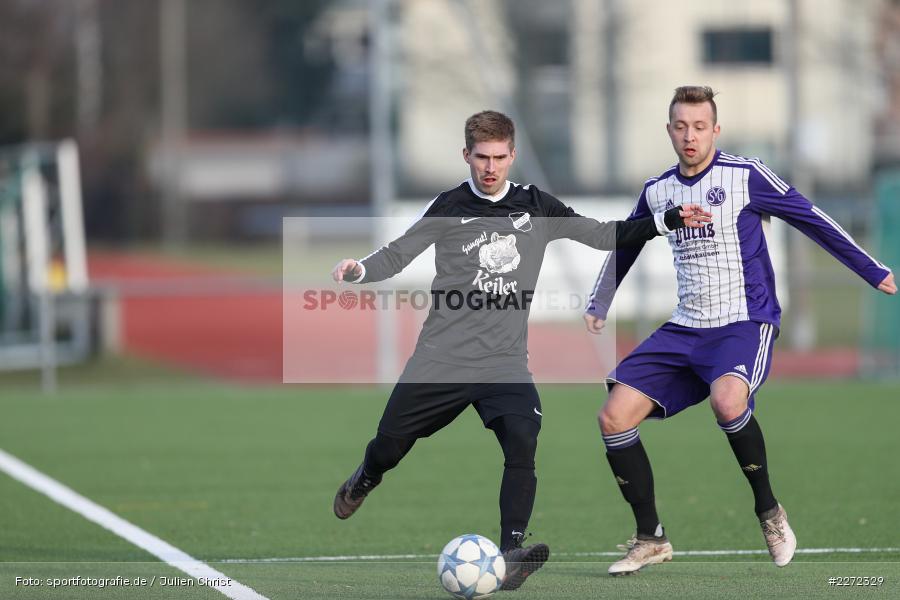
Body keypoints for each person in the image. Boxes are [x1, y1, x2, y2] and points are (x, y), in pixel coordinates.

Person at [331, 110, 711, 591]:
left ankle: (511, 551)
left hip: (504, 364)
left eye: (499, 158)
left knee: (522, 438)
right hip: (440, 361)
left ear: (513, 155)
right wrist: (360, 269)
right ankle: (366, 476)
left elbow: (601, 234)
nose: (490, 168)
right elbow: (398, 253)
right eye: (481, 158)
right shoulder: (447, 207)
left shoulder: (536, 206)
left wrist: (665, 220)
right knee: (388, 447)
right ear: (465, 155)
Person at [584, 86, 897, 576]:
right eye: (681, 127)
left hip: (743, 322)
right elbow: (628, 241)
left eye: (700, 126)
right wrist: (601, 299)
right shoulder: (658, 189)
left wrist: (870, 269)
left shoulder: (745, 175)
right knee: (613, 417)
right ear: (670, 131)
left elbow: (810, 217)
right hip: (685, 326)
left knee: (728, 401)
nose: (690, 136)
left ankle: (769, 512)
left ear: (716, 130)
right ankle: (651, 538)